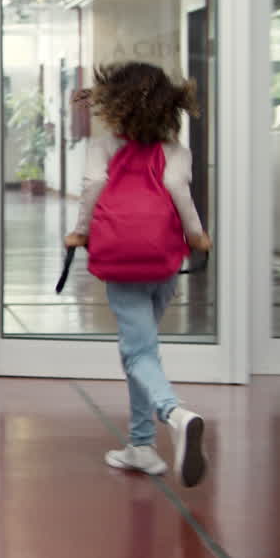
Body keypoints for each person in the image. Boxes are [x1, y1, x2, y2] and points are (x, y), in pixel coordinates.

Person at [65, 62, 211, 488]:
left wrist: (80, 231)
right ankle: (141, 445)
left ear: (117, 106)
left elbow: (93, 186)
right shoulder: (176, 151)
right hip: (162, 256)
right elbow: (179, 191)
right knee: (143, 348)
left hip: (121, 256)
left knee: (137, 351)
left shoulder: (104, 147)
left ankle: (175, 414)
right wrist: (197, 235)